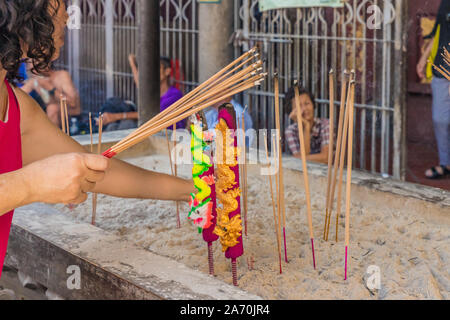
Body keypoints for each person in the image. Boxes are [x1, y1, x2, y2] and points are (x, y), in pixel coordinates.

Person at [0, 0, 196, 279]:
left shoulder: (17, 107)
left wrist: (192, 190)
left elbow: (102, 172)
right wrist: (31, 184)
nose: (67, 15)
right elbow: (31, 183)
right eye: (60, 3)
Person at [103, 54, 185, 129]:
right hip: (151, 129)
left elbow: (152, 115)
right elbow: (140, 84)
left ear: (167, 71)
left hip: (166, 136)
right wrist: (132, 63)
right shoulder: (154, 90)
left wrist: (116, 116)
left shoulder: (174, 95)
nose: (152, 72)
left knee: (126, 124)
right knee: (112, 106)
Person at [416, 0, 450, 179]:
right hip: (441, 69)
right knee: (440, 119)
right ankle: (445, 163)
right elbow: (439, 31)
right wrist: (424, 57)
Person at [284, 85, 330, 164]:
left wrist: (299, 158)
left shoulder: (325, 125)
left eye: (307, 103)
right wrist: (306, 126)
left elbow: (326, 158)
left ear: (313, 104)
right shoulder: (290, 131)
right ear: (292, 111)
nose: (304, 109)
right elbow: (301, 162)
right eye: (299, 106)